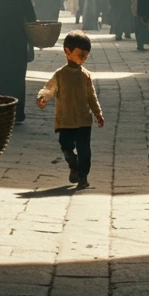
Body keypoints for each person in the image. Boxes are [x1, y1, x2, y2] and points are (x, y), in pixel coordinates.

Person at [36, 30, 105, 189]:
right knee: (66, 146)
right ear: (67, 51)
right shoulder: (60, 75)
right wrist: (43, 98)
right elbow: (48, 88)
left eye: (86, 55)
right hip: (65, 121)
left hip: (83, 121)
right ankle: (72, 163)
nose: (83, 58)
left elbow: (91, 97)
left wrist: (98, 114)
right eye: (80, 54)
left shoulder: (85, 75)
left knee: (85, 152)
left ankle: (82, 176)